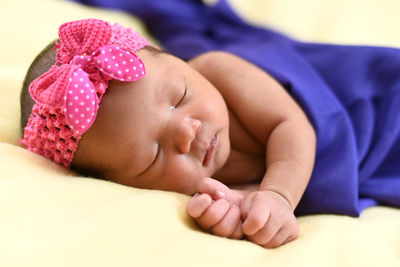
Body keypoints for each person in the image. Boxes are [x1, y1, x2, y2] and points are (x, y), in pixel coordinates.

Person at [20, 18, 316, 248]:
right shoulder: (197, 191)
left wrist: (278, 196)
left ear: (173, 57)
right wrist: (245, 211)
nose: (187, 134)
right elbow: (259, 201)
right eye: (154, 155)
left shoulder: (218, 69)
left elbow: (291, 126)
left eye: (180, 97)